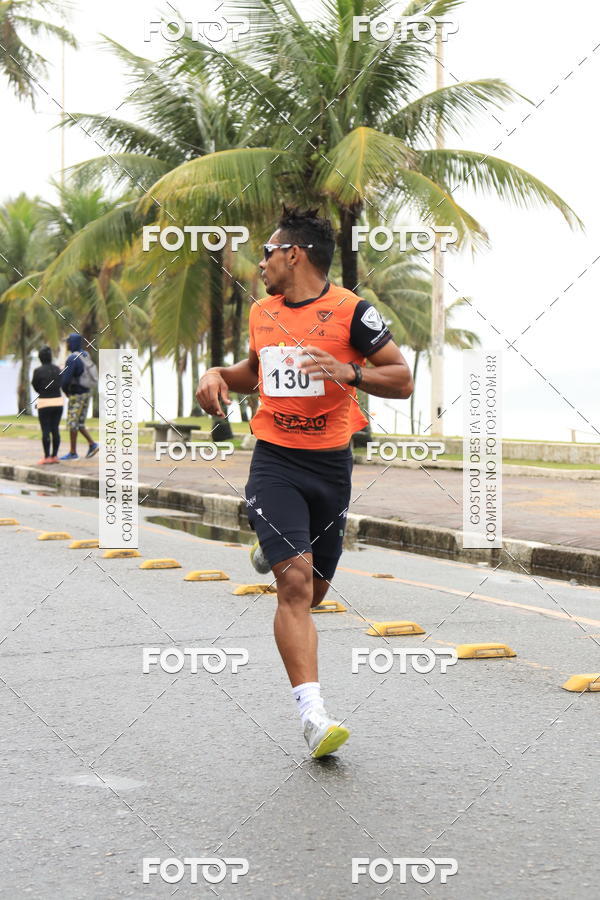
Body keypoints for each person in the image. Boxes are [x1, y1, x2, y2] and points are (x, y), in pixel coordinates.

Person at [196, 206, 413, 758]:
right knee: (294, 584)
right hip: (274, 461)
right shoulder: (263, 313)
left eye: (267, 252)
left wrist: (352, 372)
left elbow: (402, 378)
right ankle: (314, 717)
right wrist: (217, 374)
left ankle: (270, 549)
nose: (260, 263)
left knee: (313, 590)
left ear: (294, 254)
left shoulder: (353, 313)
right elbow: (254, 372)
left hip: (330, 468)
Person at [60, 333, 99, 460]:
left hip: (77, 394)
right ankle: (92, 444)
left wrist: (66, 392)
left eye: (69, 342)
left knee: (72, 423)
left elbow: (66, 380)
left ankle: (73, 452)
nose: (67, 345)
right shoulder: (85, 355)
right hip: (87, 393)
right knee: (79, 422)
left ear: (72, 343)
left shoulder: (72, 358)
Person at [31, 346, 64, 464]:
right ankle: (55, 456)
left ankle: (46, 457)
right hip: (58, 402)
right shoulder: (57, 369)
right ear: (51, 357)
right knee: (55, 429)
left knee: (46, 430)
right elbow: (61, 383)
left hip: (44, 402)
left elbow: (35, 385)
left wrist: (43, 391)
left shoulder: (38, 371)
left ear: (40, 358)